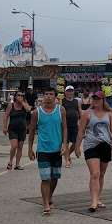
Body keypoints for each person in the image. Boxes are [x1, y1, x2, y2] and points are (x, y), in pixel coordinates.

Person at [77, 91, 112, 213]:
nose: (95, 101)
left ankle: (98, 197)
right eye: (94, 99)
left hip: (105, 145)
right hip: (91, 145)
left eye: (98, 99)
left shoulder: (110, 114)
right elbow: (81, 131)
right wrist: (77, 146)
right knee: (95, 173)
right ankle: (94, 201)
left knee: (101, 174)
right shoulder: (87, 114)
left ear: (103, 100)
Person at [27, 87, 66, 215]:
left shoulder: (61, 110)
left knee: (55, 177)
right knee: (45, 178)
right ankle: (45, 204)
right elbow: (32, 131)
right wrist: (30, 149)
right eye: (46, 94)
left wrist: (65, 144)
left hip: (57, 150)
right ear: (43, 96)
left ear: (55, 96)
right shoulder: (36, 112)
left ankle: (49, 197)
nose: (48, 96)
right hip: (43, 150)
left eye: (51, 94)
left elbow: (64, 128)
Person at [3, 92, 31, 170]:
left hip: (22, 129)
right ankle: (10, 162)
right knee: (14, 146)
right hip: (12, 129)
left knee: (20, 147)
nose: (20, 96)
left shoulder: (24, 105)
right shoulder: (11, 105)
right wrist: (4, 127)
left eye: (22, 95)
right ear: (15, 97)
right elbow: (6, 116)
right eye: (18, 95)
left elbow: (28, 109)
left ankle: (17, 164)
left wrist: (22, 102)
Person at [61, 86, 82, 169]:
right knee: (65, 143)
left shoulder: (77, 101)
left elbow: (79, 111)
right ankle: (67, 161)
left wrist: (81, 121)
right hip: (65, 125)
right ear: (65, 92)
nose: (70, 92)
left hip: (74, 125)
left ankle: (68, 154)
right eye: (68, 91)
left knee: (76, 142)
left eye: (71, 91)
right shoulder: (62, 101)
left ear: (73, 92)